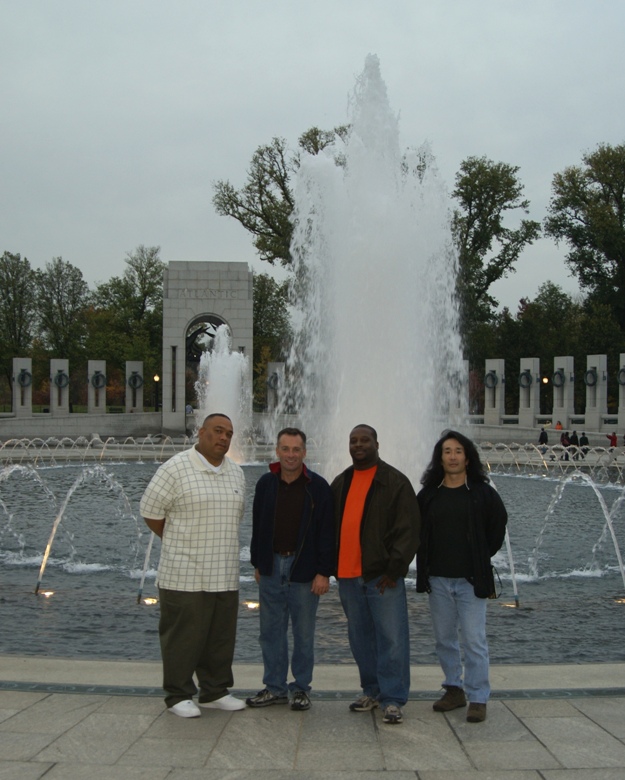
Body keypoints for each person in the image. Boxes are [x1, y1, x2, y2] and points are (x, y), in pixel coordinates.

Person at [140, 413, 246, 718]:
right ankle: (178, 694)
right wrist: (178, 540)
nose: (223, 438)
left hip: (224, 574)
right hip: (184, 573)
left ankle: (215, 691)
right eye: (217, 431)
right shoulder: (175, 468)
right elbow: (150, 512)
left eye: (228, 433)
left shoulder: (236, 473)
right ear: (201, 432)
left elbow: (233, 520)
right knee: (182, 637)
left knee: (220, 639)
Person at [416, 430, 507, 724]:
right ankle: (454, 689)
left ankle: (478, 697)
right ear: (439, 458)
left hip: (470, 581)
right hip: (439, 579)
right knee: (444, 639)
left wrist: (481, 555)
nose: (452, 456)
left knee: (474, 639)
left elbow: (498, 524)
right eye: (447, 451)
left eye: (458, 451)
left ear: (467, 457)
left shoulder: (481, 492)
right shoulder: (429, 493)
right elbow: (417, 531)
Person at [331, 424, 420, 725]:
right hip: (347, 576)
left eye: (364, 440)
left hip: (381, 577)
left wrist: (394, 570)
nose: (358, 445)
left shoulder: (394, 481)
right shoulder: (341, 482)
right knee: (360, 639)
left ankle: (393, 698)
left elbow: (408, 531)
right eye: (353, 441)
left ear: (376, 444)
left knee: (392, 638)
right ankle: (372, 690)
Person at [246, 427, 335, 712]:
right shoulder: (265, 484)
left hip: (304, 570)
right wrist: (258, 562)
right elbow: (257, 524)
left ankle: (300, 689)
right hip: (271, 566)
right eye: (285, 449)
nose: (291, 455)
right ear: (277, 451)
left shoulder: (318, 487)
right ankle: (274, 687)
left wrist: (324, 572)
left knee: (303, 633)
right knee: (270, 632)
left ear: (305, 452)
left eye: (296, 449)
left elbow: (327, 533)